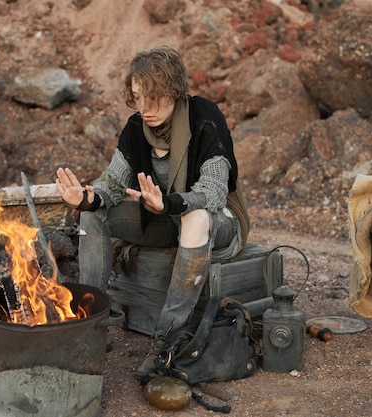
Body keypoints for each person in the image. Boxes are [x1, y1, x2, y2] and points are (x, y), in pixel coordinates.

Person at [55, 45, 250, 378]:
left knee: (195, 216)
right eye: (138, 97)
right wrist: (85, 199)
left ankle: (166, 340)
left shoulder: (205, 118)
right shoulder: (135, 129)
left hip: (219, 222)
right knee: (93, 217)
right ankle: (89, 325)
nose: (145, 107)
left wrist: (170, 204)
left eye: (154, 98)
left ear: (173, 90)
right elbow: (111, 185)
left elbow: (214, 192)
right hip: (163, 219)